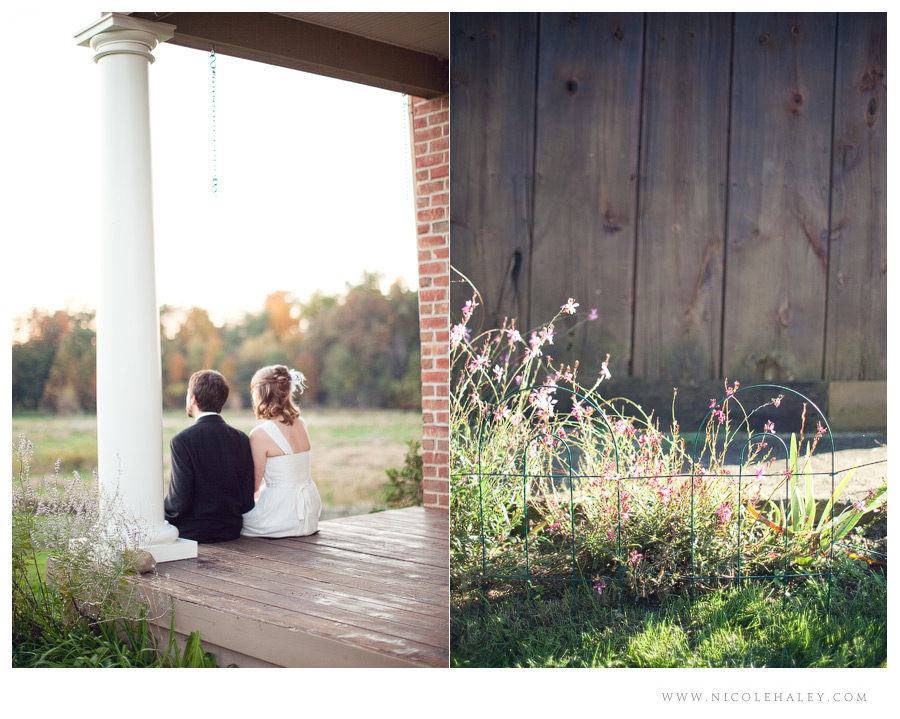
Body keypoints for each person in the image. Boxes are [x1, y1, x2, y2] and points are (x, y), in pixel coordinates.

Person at [164, 370, 255, 543]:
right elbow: (246, 501)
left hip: (193, 532)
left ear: (193, 398)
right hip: (232, 530)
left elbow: (177, 504)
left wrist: (155, 513)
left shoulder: (182, 441)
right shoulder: (241, 438)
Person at [241, 364, 322, 538]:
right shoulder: (301, 423)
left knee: (238, 522)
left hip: (282, 514)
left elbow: (253, 486)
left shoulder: (260, 434)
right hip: (308, 514)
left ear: (260, 393)